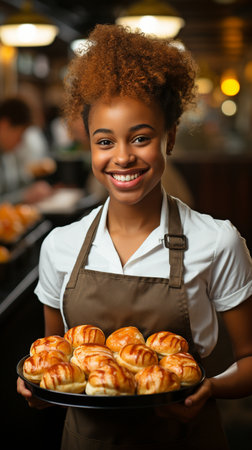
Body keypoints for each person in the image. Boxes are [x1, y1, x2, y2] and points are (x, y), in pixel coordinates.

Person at [17, 24, 252, 450]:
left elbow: (249, 361)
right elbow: (55, 354)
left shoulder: (217, 242)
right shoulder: (60, 247)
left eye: (141, 138)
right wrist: (40, 394)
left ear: (170, 137)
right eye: (104, 141)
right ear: (89, 145)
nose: (122, 156)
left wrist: (211, 390)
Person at [0, 97, 54, 204]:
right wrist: (23, 196)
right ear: (4, 125)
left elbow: (14, 186)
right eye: (20, 135)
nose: (20, 142)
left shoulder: (7, 155)